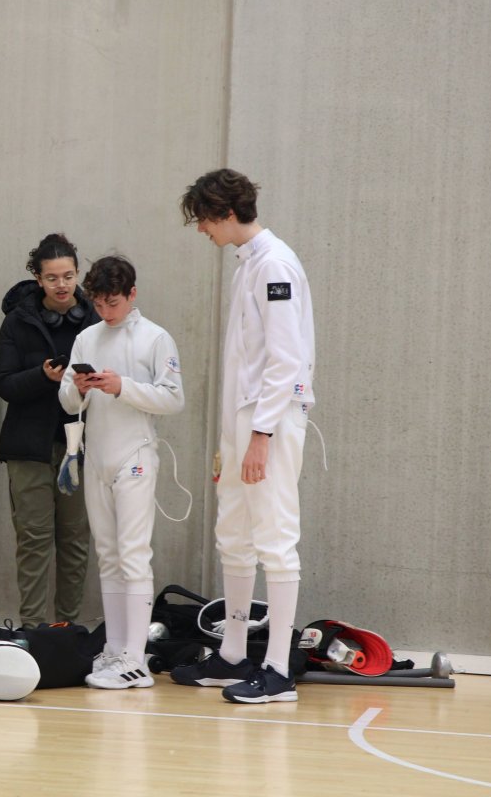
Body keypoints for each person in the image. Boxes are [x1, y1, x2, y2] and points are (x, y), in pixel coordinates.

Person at [173, 167, 316, 704]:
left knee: (275, 538)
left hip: (269, 422)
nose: (201, 229)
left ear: (226, 213)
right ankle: (233, 653)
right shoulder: (247, 264)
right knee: (233, 534)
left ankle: (278, 669)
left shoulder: (274, 263)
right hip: (243, 422)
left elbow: (286, 360)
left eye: (204, 219)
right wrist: (232, 438)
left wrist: (260, 434)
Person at [58, 254, 184, 689]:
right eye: (98, 304)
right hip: (97, 456)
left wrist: (122, 387)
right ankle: (114, 649)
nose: (105, 311)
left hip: (136, 455)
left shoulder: (155, 338)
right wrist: (78, 388)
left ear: (132, 294)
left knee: (133, 554)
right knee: (108, 554)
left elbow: (173, 398)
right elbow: (67, 401)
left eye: (112, 303)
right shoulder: (86, 338)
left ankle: (135, 658)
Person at [0, 233, 99, 629]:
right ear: (38, 279)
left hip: (82, 446)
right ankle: (33, 629)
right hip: (29, 447)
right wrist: (42, 376)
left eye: (68, 276)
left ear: (78, 274)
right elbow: (4, 384)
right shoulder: (17, 321)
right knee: (34, 540)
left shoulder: (94, 319)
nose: (61, 285)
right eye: (52, 278)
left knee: (75, 540)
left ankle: (67, 629)